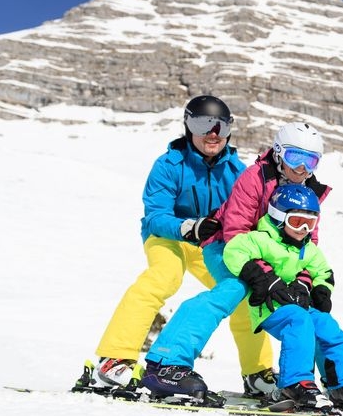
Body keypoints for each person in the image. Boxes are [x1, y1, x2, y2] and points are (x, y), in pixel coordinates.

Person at [85, 95, 273, 392]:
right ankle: (114, 360)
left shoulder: (237, 172)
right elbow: (156, 215)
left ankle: (258, 373)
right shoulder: (169, 165)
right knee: (163, 278)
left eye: (221, 128)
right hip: (167, 237)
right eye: (203, 124)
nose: (213, 134)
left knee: (242, 291)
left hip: (209, 243)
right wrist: (187, 227)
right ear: (188, 127)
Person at [145, 185, 343, 411]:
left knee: (331, 329)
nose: (304, 230)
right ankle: (294, 384)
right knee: (299, 321)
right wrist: (258, 276)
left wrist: (321, 290)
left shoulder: (307, 248)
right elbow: (234, 250)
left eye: (310, 223)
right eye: (297, 222)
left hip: (296, 303)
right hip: (268, 306)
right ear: (279, 217)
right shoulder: (260, 239)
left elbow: (323, 271)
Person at [140, 121, 331, 400]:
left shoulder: (308, 193)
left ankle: (332, 380)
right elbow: (235, 231)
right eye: (295, 158)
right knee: (234, 289)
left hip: (269, 254)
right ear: (278, 153)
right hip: (225, 245)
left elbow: (307, 243)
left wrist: (304, 281)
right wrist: (262, 274)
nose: (302, 169)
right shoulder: (254, 177)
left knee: (307, 305)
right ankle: (167, 363)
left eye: (310, 161)